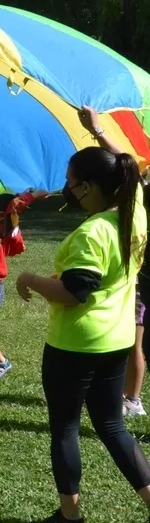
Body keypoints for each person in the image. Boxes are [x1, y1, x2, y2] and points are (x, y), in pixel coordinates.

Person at [19, 106, 150, 523]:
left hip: (76, 345)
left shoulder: (94, 232)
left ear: (89, 187)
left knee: (66, 428)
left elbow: (76, 293)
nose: (68, 191)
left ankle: (70, 520)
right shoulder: (137, 211)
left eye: (73, 183)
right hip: (117, 339)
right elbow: (128, 169)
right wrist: (96, 131)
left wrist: (30, 279)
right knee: (113, 426)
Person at [0, 188, 47, 379]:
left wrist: (32, 196)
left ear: (0, 213)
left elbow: (13, 209)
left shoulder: (6, 230)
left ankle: (1, 361)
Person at [124, 169, 150, 418]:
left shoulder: (142, 209)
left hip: (140, 287)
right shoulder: (140, 209)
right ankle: (125, 395)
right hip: (137, 284)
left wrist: (98, 130)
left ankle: (133, 399)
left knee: (134, 344)